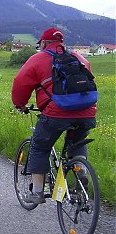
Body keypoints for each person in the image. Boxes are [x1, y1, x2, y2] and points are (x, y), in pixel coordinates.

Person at [11, 27, 96, 204]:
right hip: (87, 112)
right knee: (77, 143)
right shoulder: (78, 58)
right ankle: (81, 172)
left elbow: (20, 84)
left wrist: (20, 105)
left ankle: (37, 192)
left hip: (56, 113)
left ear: (43, 43)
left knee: (40, 147)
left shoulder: (38, 59)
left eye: (40, 44)